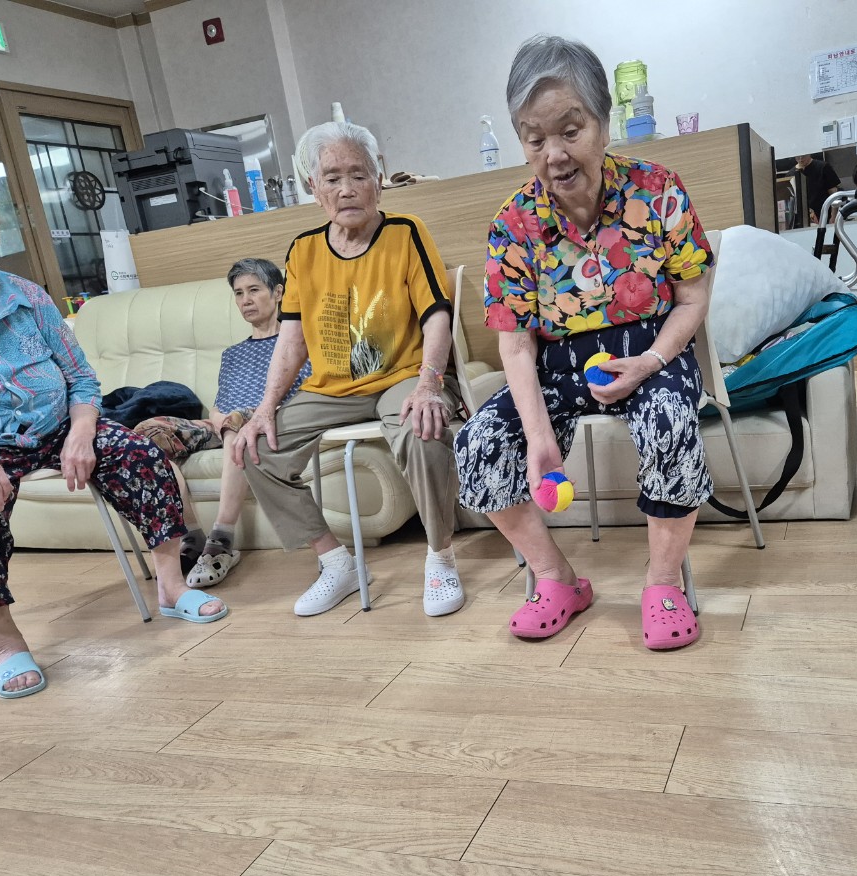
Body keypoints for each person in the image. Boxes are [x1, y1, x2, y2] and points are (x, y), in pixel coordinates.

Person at [0, 161, 228, 700]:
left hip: (56, 426)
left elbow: (81, 377)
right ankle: (3, 638)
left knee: (139, 452)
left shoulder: (29, 296)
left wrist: (82, 432)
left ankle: (172, 585)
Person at [454, 35, 715, 651]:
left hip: (652, 353)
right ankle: (556, 579)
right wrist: (539, 437)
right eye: (534, 138)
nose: (554, 154)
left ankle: (663, 584)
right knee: (479, 445)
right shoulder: (511, 224)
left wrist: (650, 361)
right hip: (558, 365)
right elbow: (516, 345)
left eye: (570, 131)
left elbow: (693, 298)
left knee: (671, 422)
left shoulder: (657, 190)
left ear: (603, 123)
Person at [232, 121, 466, 619]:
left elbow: (436, 315)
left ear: (378, 179)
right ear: (313, 188)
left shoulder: (405, 232)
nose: (347, 189)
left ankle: (440, 556)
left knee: (422, 428)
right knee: (255, 450)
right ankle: (336, 563)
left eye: (358, 175)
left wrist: (429, 384)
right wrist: (265, 409)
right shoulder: (304, 250)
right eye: (333, 178)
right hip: (332, 389)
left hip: (403, 376)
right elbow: (291, 340)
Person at [133, 257, 309, 588]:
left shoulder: (298, 342)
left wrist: (237, 418)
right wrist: (218, 419)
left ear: (278, 292)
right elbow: (219, 404)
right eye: (239, 293)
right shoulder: (233, 354)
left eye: (254, 290)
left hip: (268, 419)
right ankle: (191, 535)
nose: (246, 300)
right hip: (223, 423)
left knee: (237, 422)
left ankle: (222, 540)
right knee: (146, 433)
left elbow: (302, 395)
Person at [796, 153, 841, 223]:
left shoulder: (823, 167)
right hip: (805, 220)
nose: (801, 158)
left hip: (826, 216)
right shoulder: (792, 173)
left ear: (809, 153)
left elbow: (834, 193)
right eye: (798, 156)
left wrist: (833, 216)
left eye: (803, 155)